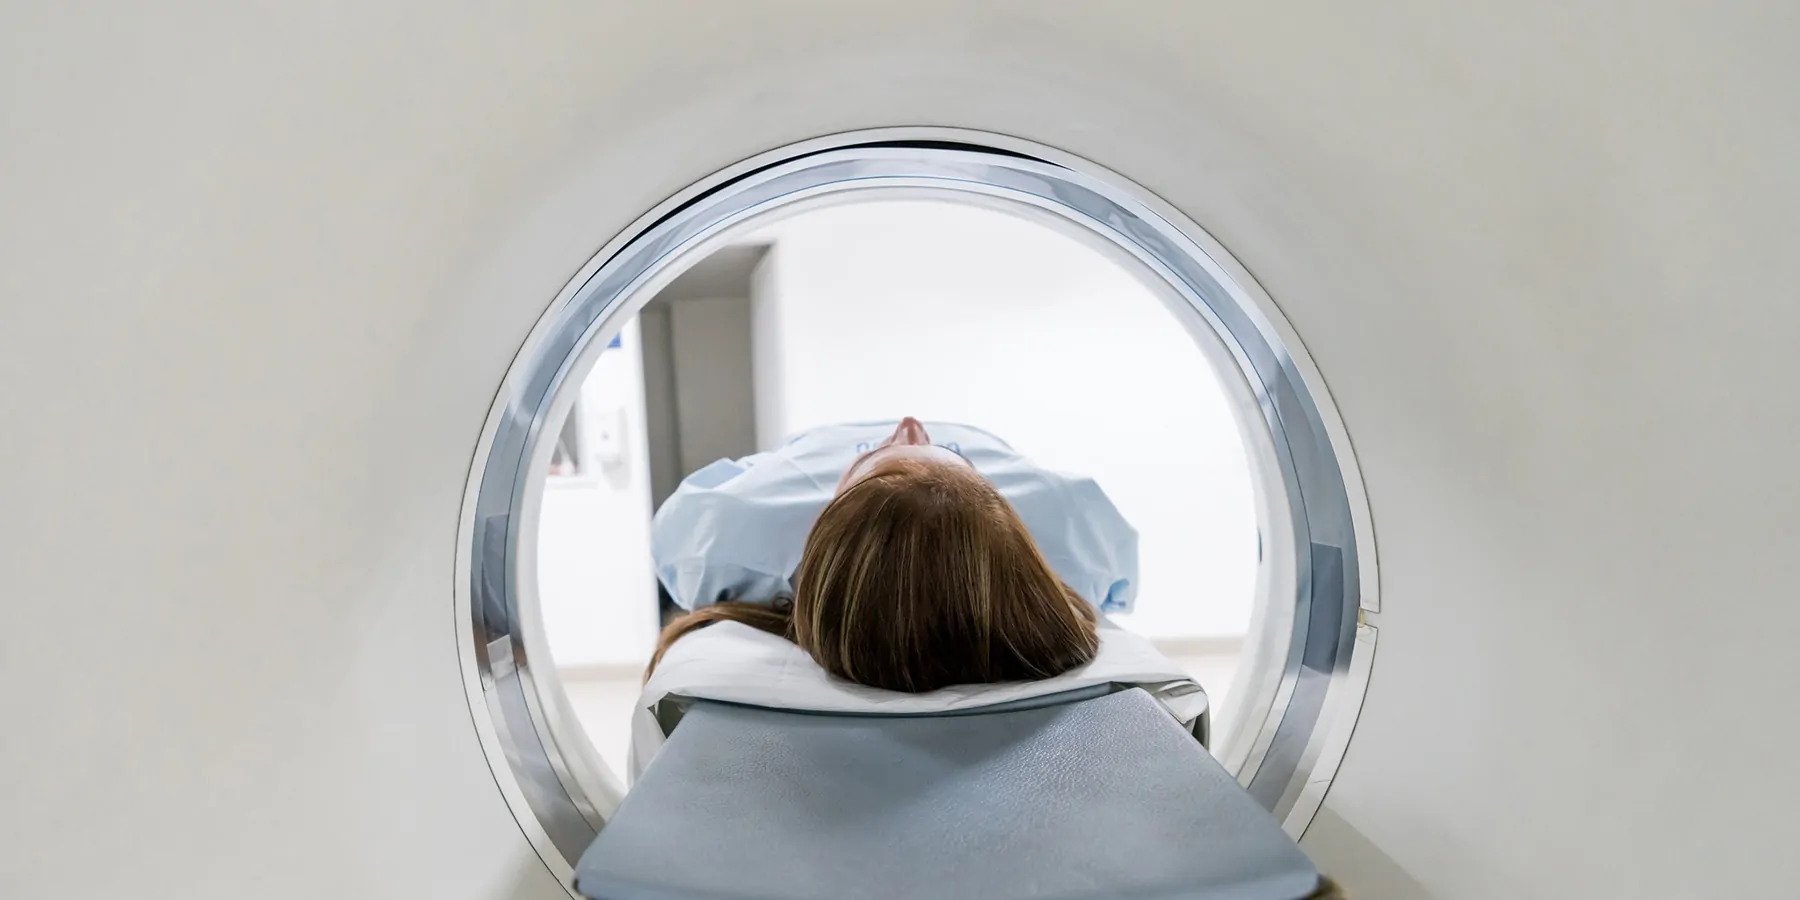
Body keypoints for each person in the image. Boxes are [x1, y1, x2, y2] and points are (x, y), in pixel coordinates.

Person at [645, 417, 1101, 692]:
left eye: (867, 464)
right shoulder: (1071, 549)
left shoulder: (727, 533)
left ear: (822, 541)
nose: (909, 426)